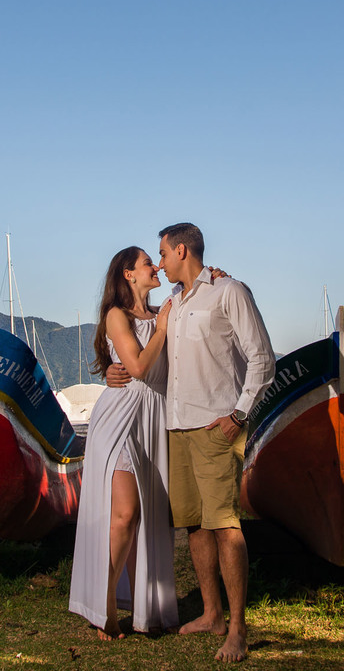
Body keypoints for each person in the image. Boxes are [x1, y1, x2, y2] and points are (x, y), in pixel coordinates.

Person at [108, 223, 275, 663]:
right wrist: (110, 372)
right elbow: (148, 358)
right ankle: (211, 613)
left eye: (162, 253)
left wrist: (239, 415)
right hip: (175, 427)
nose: (159, 263)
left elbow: (262, 357)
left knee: (225, 525)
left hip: (216, 427)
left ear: (182, 250)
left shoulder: (228, 290)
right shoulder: (174, 304)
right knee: (195, 527)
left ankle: (237, 628)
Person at [68, 246, 179, 640]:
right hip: (121, 419)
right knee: (127, 513)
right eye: (148, 262)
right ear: (129, 275)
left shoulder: (163, 310)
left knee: (146, 517)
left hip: (154, 417)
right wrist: (162, 329)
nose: (155, 266)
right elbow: (135, 367)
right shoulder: (118, 315)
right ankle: (106, 606)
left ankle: (139, 608)